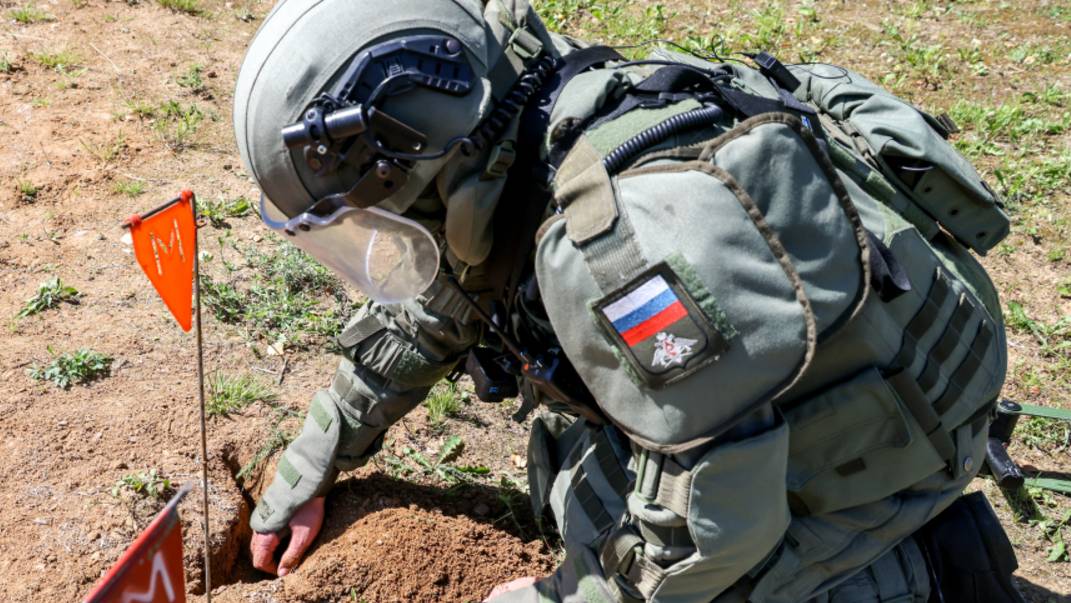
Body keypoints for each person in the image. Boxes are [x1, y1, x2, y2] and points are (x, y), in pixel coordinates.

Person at [232, 1, 1025, 601]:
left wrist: (559, 596)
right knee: (573, 477)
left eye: (380, 215)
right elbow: (442, 305)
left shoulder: (619, 247)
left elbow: (713, 528)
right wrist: (310, 464)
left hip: (892, 442)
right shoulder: (540, 126)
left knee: (610, 520)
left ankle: (915, 569)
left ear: (425, 154)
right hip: (827, 383)